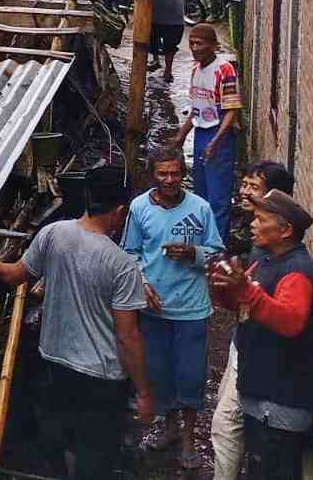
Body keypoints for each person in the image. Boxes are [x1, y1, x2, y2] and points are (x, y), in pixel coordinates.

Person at [0, 167, 154, 479]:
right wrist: (143, 392)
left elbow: (14, 274)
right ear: (120, 211)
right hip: (102, 377)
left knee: (57, 444)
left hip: (55, 364)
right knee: (95, 454)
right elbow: (128, 337)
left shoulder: (54, 234)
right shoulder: (122, 265)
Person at [209, 189, 313, 480]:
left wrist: (245, 290)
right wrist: (222, 288)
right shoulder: (267, 259)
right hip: (260, 397)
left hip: (278, 407)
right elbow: (245, 305)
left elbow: (290, 321)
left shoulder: (296, 272)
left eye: (260, 220)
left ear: (285, 230)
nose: (253, 225)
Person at [121, 149, 222, 470]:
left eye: (175, 173)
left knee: (190, 376)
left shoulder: (200, 208)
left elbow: (218, 255)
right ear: (154, 174)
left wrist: (194, 253)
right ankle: (168, 428)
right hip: (154, 311)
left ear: (184, 174)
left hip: (191, 310)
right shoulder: (139, 208)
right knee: (158, 373)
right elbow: (130, 253)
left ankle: (189, 438)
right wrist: (142, 283)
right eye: (162, 174)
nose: (169, 180)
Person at [177, 23, 242, 242]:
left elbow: (231, 111)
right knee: (201, 193)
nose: (195, 48)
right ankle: (202, 241)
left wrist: (215, 141)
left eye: (200, 43)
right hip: (201, 134)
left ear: (213, 45)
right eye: (192, 43)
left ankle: (217, 247)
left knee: (218, 198)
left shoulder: (225, 70)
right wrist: (181, 135)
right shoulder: (196, 69)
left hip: (219, 136)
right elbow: (196, 108)